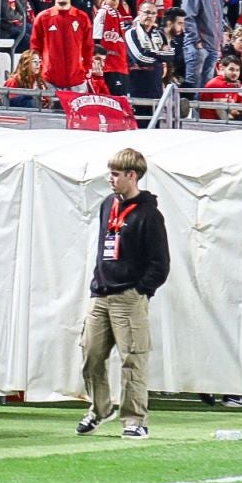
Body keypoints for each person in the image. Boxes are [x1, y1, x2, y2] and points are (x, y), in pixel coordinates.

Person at [77, 148, 170, 440]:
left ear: (132, 176)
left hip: (129, 297)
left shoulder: (149, 215)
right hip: (101, 294)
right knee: (90, 354)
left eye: (115, 174)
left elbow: (160, 264)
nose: (110, 179)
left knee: (133, 359)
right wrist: (97, 283)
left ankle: (134, 419)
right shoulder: (108, 204)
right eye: (110, 173)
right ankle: (100, 408)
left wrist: (140, 290)